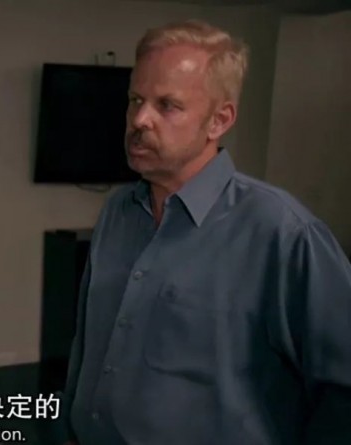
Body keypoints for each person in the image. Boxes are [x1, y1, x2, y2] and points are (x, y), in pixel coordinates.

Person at [61, 19, 351, 445]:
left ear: (219, 120)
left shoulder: (282, 233)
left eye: (167, 105)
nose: (139, 119)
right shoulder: (117, 213)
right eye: (136, 100)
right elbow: (89, 344)